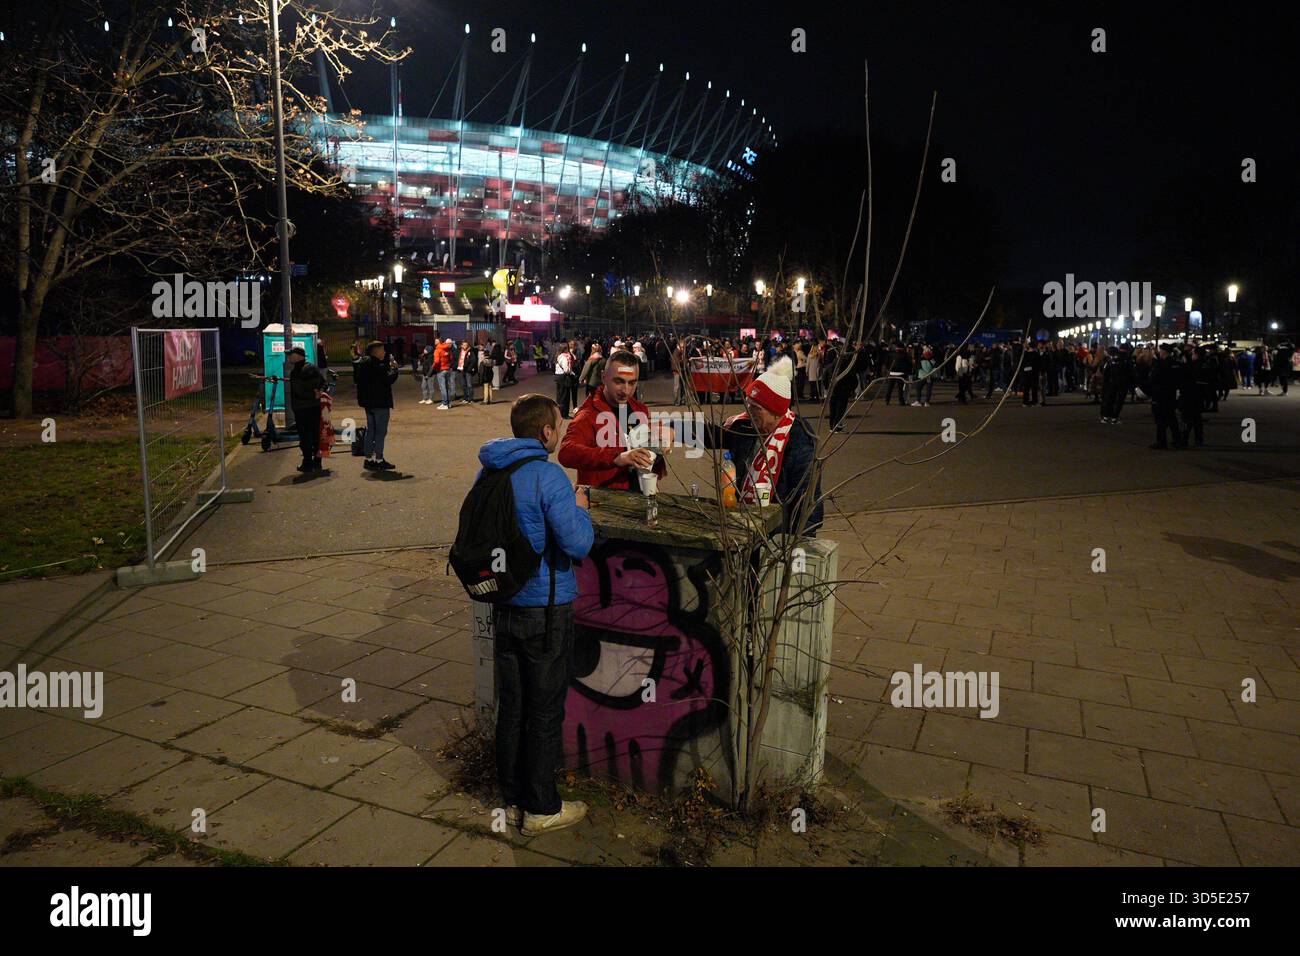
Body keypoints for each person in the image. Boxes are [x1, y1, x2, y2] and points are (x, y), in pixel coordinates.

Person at [476, 393, 594, 836]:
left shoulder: (490, 468)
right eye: (558, 425)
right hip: (545, 610)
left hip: (503, 604)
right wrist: (581, 511)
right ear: (546, 432)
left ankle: (511, 798)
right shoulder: (549, 476)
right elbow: (577, 544)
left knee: (513, 707)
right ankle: (542, 807)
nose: (560, 431)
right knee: (544, 712)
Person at [705, 369, 824, 537]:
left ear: (776, 412)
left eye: (756, 407)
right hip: (742, 526)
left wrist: (795, 550)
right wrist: (674, 429)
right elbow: (710, 434)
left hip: (776, 536)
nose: (749, 411)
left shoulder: (800, 443)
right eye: (748, 404)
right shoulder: (745, 426)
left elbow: (808, 506)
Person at [558, 349, 670, 489]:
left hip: (641, 493)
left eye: (632, 383)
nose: (626, 390)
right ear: (604, 377)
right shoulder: (588, 415)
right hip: (606, 502)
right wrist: (617, 457)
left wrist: (658, 445)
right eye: (619, 382)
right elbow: (566, 452)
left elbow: (643, 448)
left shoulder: (639, 409)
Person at [353, 340, 399, 470]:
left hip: (368, 403)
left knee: (371, 430)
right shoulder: (375, 364)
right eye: (382, 349)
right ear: (376, 351)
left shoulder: (363, 363)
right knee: (380, 432)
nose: (384, 352)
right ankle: (379, 459)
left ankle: (368, 458)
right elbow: (387, 379)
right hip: (380, 402)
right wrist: (394, 369)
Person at [287, 345, 325, 472]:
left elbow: (298, 390)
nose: (289, 357)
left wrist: (312, 394)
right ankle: (318, 462)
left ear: (298, 356)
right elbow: (323, 383)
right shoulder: (313, 367)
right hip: (315, 406)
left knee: (305, 436)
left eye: (290, 354)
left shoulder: (296, 371)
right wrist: (318, 393)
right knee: (316, 434)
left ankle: (307, 463)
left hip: (302, 408)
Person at [553, 343, 577, 418]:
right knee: (565, 396)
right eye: (567, 348)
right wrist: (570, 371)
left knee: (560, 396)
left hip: (558, 376)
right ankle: (564, 414)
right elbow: (566, 369)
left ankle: (559, 413)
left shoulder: (559, 356)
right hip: (564, 377)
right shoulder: (564, 357)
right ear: (565, 349)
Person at [433, 337, 455, 409]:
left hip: (441, 370)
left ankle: (445, 404)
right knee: (447, 387)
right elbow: (451, 358)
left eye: (436, 341)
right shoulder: (448, 349)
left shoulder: (437, 350)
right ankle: (448, 403)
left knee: (443, 388)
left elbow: (436, 361)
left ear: (439, 342)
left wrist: (435, 368)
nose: (435, 342)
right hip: (447, 369)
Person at [457, 339, 478, 404]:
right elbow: (456, 359)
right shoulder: (459, 351)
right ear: (461, 345)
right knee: (463, 385)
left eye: (466, 345)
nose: (465, 346)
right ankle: (465, 398)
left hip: (467, 370)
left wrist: (469, 369)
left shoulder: (471, 351)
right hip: (461, 369)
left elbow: (473, 361)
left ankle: (471, 399)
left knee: (469, 385)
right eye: (464, 345)